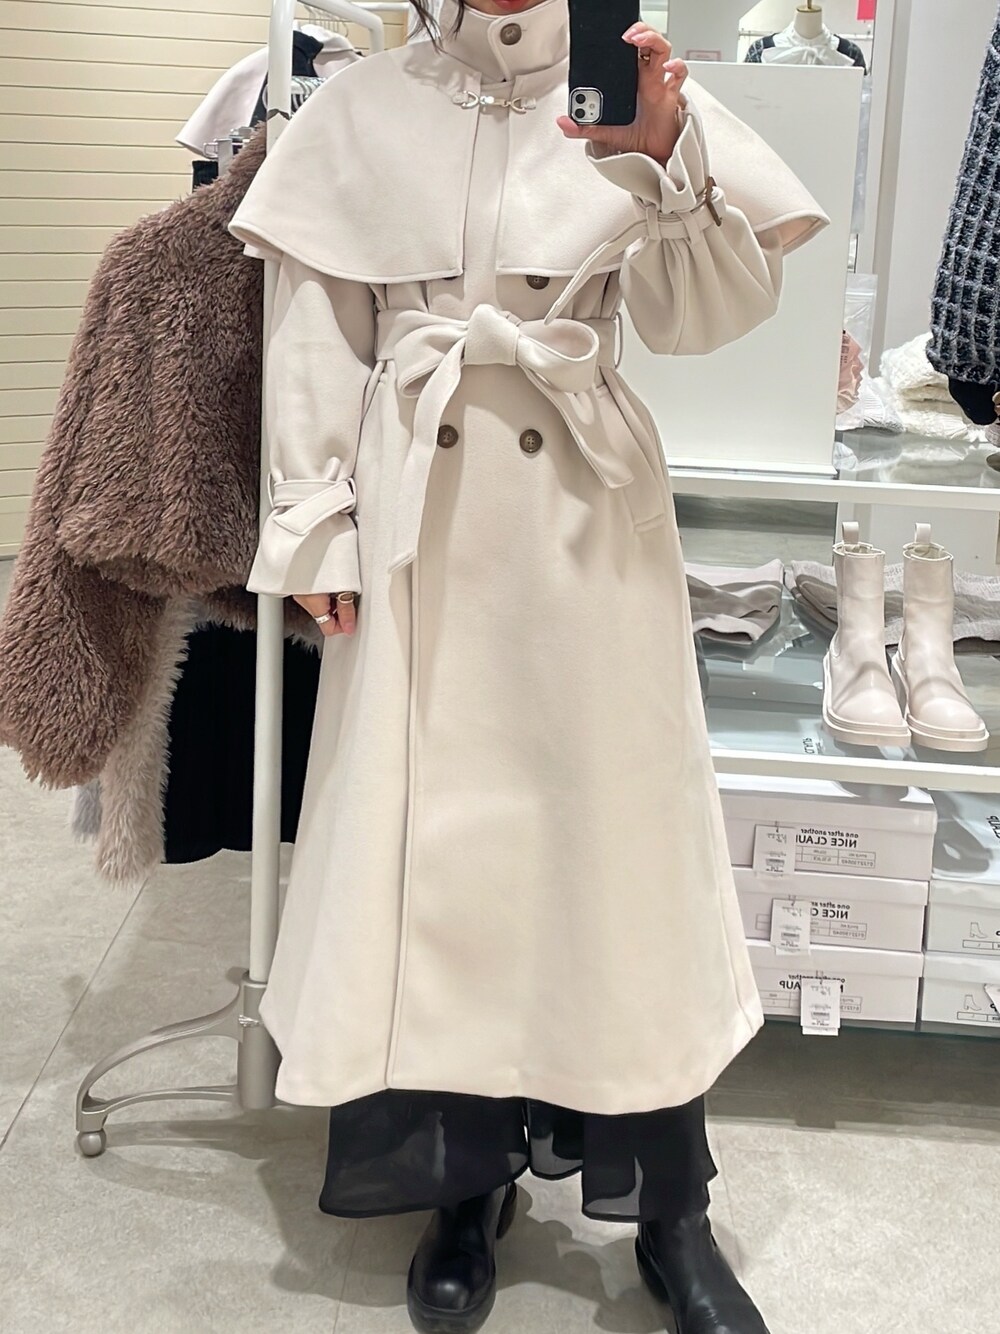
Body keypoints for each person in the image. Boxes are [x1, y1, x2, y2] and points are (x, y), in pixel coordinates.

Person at [230, 1, 826, 1330]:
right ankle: (465, 1184)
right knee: (439, 864)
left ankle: (671, 1210)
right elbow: (314, 324)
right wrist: (316, 516)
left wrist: (662, 163)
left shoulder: (635, 92)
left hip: (585, 530)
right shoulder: (361, 106)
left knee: (616, 868)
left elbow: (701, 316)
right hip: (419, 527)